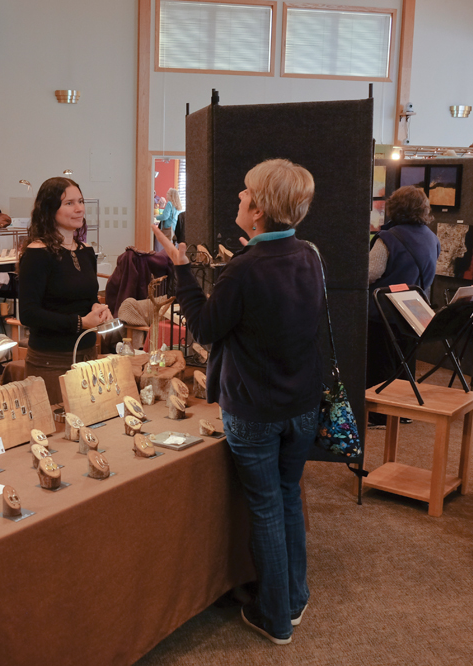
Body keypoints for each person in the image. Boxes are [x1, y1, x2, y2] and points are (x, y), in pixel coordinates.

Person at [152, 159, 323, 645]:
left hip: (255, 409)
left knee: (267, 506)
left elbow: (203, 328)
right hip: (302, 403)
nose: (239, 198)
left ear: (261, 209)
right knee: (287, 496)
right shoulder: (308, 255)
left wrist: (182, 269)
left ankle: (274, 616)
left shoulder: (245, 270)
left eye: (246, 193)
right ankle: (293, 597)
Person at [17, 177, 112, 404]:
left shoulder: (86, 251)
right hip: (51, 360)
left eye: (80, 201)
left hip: (87, 354)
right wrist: (80, 323)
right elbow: (28, 314)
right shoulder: (37, 254)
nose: (79, 208)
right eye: (69, 203)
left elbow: (87, 297)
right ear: (50, 209)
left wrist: (98, 308)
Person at [365, 186, 440, 426]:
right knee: (405, 360)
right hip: (416, 310)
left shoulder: (389, 237)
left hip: (383, 312)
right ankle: (404, 410)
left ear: (394, 207)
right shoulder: (431, 236)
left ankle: (379, 414)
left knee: (380, 361)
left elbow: (370, 272)